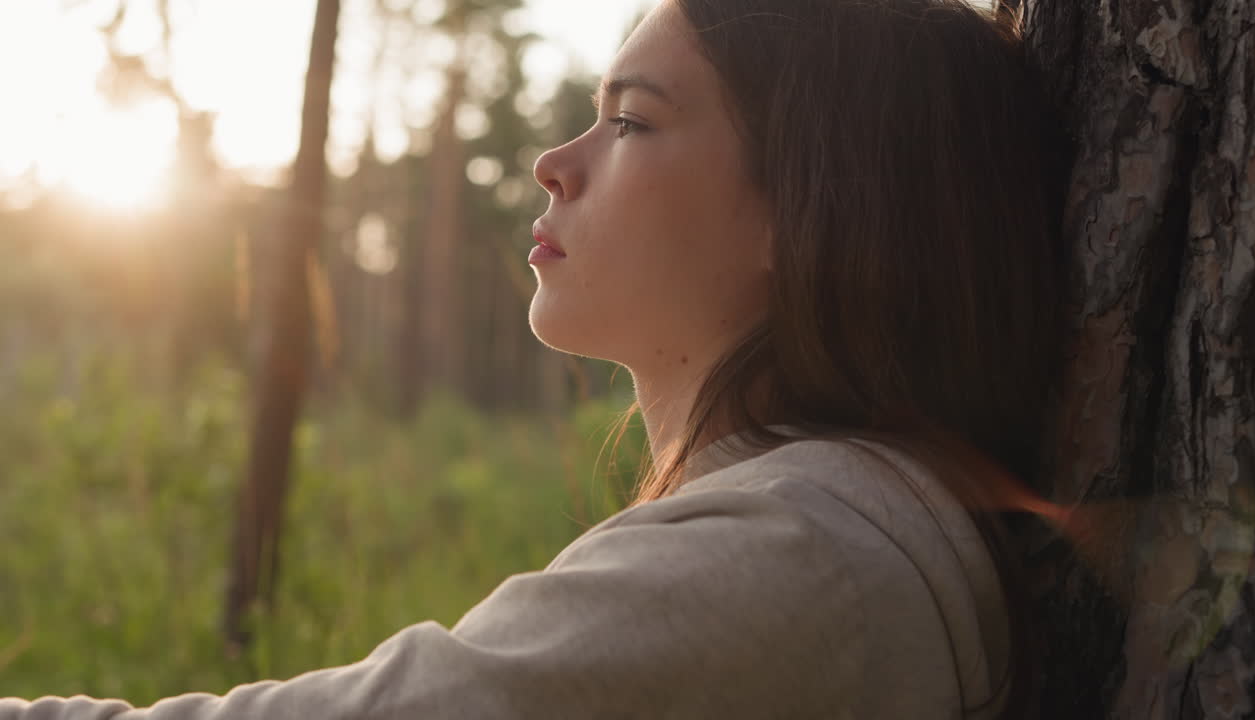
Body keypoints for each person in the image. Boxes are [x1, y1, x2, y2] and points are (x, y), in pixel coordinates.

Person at [2, 0, 1068, 717]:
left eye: (629, 122)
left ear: (809, 206)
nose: (553, 162)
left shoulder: (800, 553)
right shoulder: (819, 524)